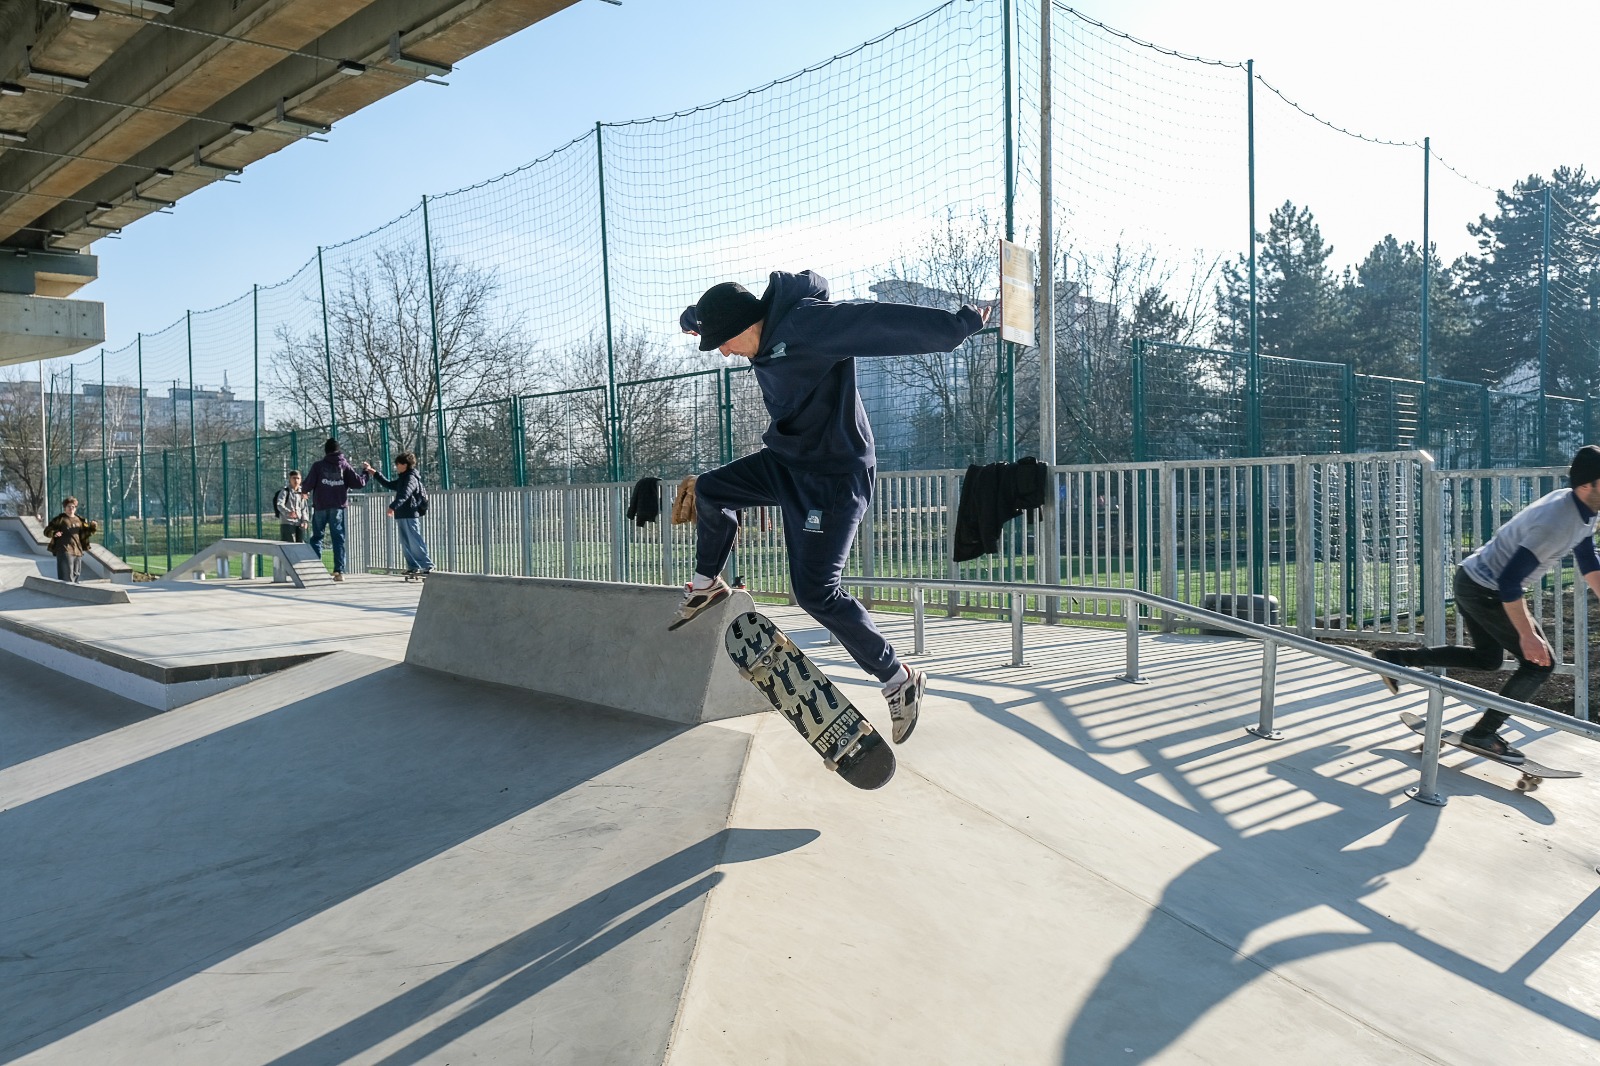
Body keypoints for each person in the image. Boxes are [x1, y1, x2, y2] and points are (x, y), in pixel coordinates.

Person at [673, 270, 990, 744]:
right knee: (711, 491)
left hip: (835, 478)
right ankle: (707, 584)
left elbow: (876, 322)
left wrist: (956, 326)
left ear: (747, 323)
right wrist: (694, 321)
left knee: (816, 592)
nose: (724, 352)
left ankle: (898, 680)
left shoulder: (807, 325)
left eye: (724, 341)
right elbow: (711, 315)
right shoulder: (744, 322)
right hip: (787, 461)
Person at [1373, 444, 1600, 764]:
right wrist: (1527, 635)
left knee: (1487, 659)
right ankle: (1482, 733)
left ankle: (1395, 658)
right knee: (1540, 663)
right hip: (1487, 589)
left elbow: (1589, 562)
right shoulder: (1558, 522)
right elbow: (1509, 583)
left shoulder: (1584, 511)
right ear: (1587, 485)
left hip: (1472, 579)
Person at [303, 438, 367, 582]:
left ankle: (315, 568)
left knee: (317, 536)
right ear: (339, 451)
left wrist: (303, 490)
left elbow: (308, 484)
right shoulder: (344, 465)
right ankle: (339, 571)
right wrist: (366, 473)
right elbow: (359, 483)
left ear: (326, 451)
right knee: (338, 538)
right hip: (337, 507)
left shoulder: (318, 466)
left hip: (320, 506)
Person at [362, 452, 433, 577]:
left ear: (404, 465)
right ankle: (413, 566)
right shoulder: (403, 477)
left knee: (414, 540)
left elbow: (405, 494)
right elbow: (389, 484)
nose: (396, 466)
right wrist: (373, 472)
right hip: (402, 514)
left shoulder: (410, 478)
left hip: (410, 513)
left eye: (398, 464)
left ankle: (427, 565)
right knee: (405, 542)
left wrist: (392, 506)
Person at [43, 496, 97, 583]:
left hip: (78, 550)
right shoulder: (60, 519)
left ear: (75, 508)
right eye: (69, 506)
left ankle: (72, 592)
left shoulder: (80, 520)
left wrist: (92, 527)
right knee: (66, 576)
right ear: (65, 508)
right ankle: (64, 591)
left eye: (73, 507)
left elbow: (86, 533)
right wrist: (54, 533)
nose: (71, 508)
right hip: (64, 549)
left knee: (76, 575)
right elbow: (47, 531)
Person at [273, 469, 312, 543]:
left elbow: (304, 509)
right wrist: (288, 512)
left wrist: (305, 521)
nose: (296, 480)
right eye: (294, 478)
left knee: (300, 546)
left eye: (298, 478)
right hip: (287, 523)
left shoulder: (302, 493)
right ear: (290, 479)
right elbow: (279, 505)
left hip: (299, 524)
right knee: (289, 546)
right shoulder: (285, 492)